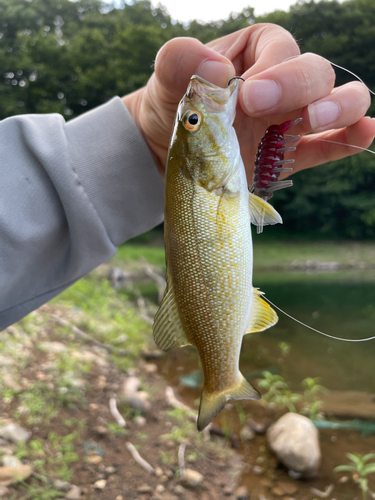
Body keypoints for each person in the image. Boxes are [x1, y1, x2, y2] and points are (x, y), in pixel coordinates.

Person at [1, 24, 374, 330]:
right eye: (192, 120)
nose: (195, 107)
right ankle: (224, 378)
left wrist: (142, 142)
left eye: (189, 120)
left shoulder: (203, 170)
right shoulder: (213, 179)